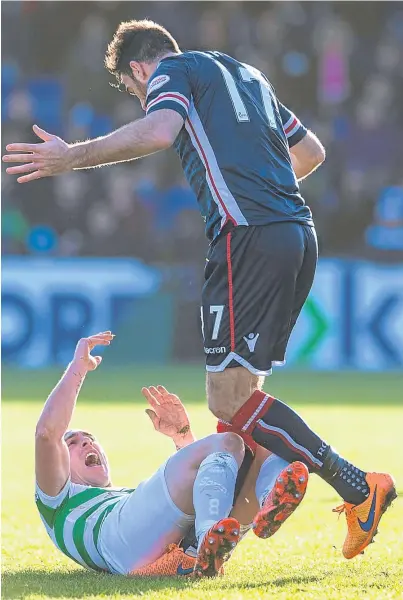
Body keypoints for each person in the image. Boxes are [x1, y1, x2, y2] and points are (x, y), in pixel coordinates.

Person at [5, 19, 396, 560]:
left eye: (135, 90)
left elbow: (160, 131)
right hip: (297, 232)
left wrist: (73, 157)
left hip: (247, 238)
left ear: (139, 70)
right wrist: (259, 180)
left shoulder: (170, 71)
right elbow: (311, 154)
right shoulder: (248, 75)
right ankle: (232, 517)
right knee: (242, 401)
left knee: (226, 398)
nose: (143, 98)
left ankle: (358, 487)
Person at [35, 331, 308, 578]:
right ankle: (208, 538)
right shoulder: (56, 498)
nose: (87, 443)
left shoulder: (122, 497)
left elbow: (207, 485)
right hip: (117, 541)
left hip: (149, 548)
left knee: (262, 437)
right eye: (72, 442)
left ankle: (257, 508)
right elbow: (47, 432)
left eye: (91, 439)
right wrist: (78, 368)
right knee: (231, 443)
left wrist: (183, 437)